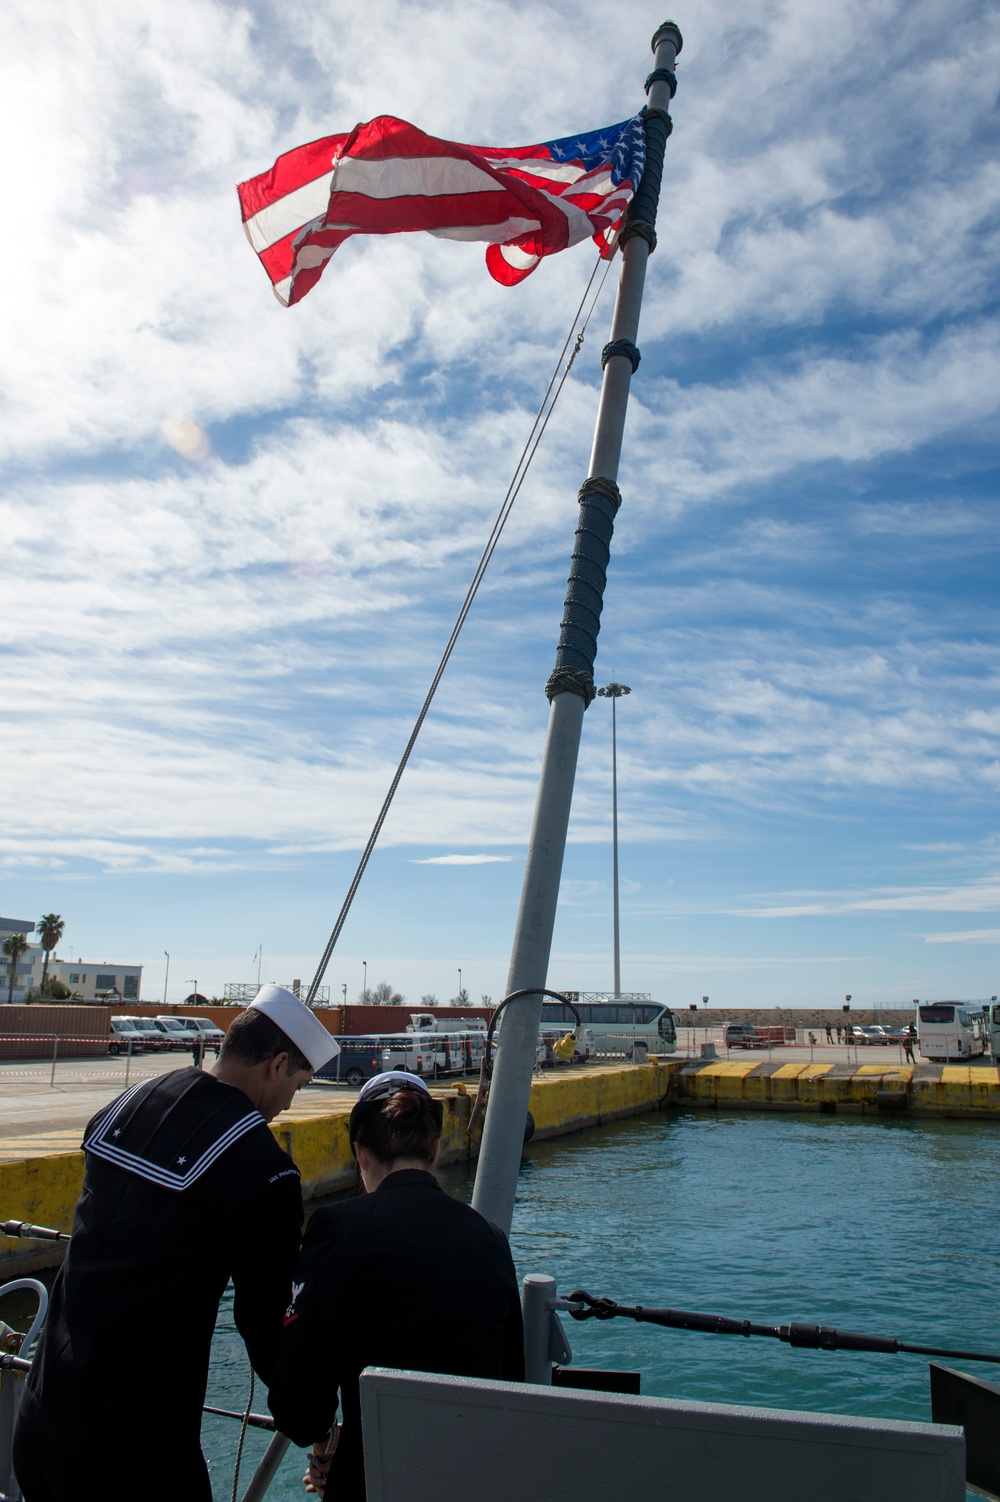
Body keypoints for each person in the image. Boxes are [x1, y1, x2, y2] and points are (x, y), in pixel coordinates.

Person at [13, 985, 340, 1502]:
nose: (285, 1104)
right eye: (297, 1087)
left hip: (39, 1423)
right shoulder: (263, 1168)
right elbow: (266, 1323)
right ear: (277, 1066)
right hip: (131, 1453)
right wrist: (317, 1425)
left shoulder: (129, 1102)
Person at [268, 1071, 524, 1501]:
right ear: (436, 1151)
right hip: (476, 1478)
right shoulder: (490, 1237)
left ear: (361, 1154)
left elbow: (297, 1402)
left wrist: (327, 1445)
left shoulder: (338, 1228)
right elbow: (513, 1378)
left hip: (375, 1478)